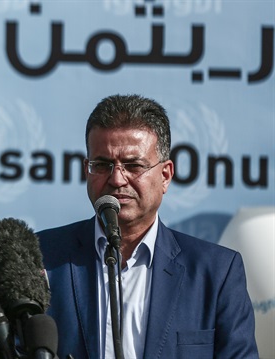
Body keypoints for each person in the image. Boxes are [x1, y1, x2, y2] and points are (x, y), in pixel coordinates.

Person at [37, 94, 258, 359]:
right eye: (103, 165)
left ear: (165, 175)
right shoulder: (42, 256)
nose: (117, 179)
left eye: (133, 166)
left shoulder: (216, 272)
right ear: (87, 170)